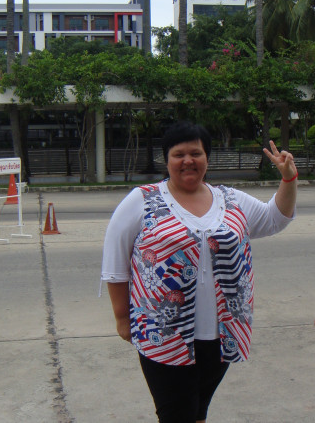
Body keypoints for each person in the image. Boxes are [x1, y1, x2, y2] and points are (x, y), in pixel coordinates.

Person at [101, 122, 297, 423]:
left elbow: (275, 218)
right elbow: (115, 262)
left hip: (220, 333)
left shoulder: (230, 200)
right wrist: (122, 318)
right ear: (166, 159)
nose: (188, 161)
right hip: (163, 333)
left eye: (196, 153)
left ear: (207, 157)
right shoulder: (143, 200)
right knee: (176, 413)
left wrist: (289, 178)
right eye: (178, 154)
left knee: (197, 410)